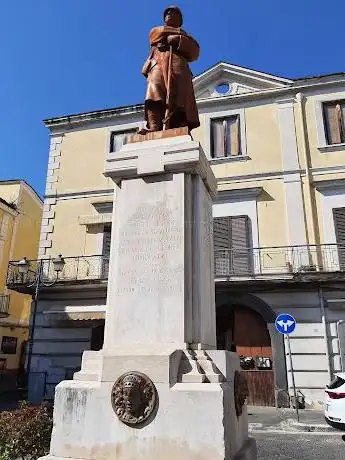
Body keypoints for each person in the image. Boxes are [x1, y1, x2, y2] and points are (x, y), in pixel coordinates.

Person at [140, 6, 200, 133]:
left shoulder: (186, 36)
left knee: (179, 96)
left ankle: (179, 127)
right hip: (157, 63)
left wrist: (178, 39)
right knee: (154, 88)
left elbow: (195, 52)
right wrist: (178, 35)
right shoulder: (157, 29)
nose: (169, 14)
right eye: (167, 13)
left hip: (178, 65)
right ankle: (154, 126)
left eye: (173, 12)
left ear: (180, 19)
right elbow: (156, 35)